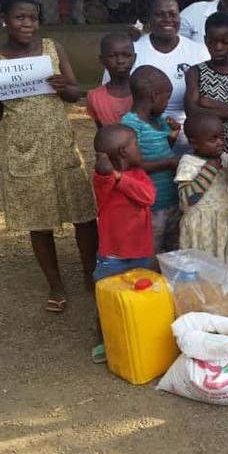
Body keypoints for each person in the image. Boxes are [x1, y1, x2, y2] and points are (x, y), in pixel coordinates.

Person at [0, 0, 97, 314]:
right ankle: (55, 284)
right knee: (39, 222)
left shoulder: (53, 49)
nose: (27, 24)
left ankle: (89, 274)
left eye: (33, 18)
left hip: (61, 146)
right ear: (4, 20)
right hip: (24, 151)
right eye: (20, 17)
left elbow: (74, 93)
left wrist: (64, 87)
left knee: (84, 214)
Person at [105, 0, 209, 153]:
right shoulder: (133, 51)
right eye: (159, 15)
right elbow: (111, 93)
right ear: (149, 19)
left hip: (193, 141)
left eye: (173, 14)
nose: (167, 19)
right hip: (144, 142)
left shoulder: (199, 52)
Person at [91, 124, 156, 363]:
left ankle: (139, 334)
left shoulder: (139, 175)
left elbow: (148, 197)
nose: (140, 149)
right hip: (113, 256)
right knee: (106, 300)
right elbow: (102, 178)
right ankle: (104, 339)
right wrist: (110, 173)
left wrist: (120, 177)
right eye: (136, 144)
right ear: (123, 152)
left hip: (141, 253)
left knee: (142, 296)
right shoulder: (103, 180)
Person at [120, 65, 182, 252]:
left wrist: (173, 135)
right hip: (150, 206)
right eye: (167, 98)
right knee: (151, 250)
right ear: (154, 96)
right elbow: (131, 166)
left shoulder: (160, 121)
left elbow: (161, 149)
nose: (167, 104)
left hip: (171, 199)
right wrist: (170, 163)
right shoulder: (130, 124)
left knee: (173, 249)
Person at [185, 12, 228, 148]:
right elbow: (191, 111)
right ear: (205, 40)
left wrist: (209, 103)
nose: (218, 47)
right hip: (205, 150)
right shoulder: (195, 72)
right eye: (212, 41)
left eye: (225, 42)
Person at [176, 112, 228, 262]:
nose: (220, 142)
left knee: (222, 263)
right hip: (202, 226)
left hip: (222, 222)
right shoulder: (188, 163)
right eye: (213, 139)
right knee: (202, 264)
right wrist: (209, 170)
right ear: (194, 143)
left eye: (222, 136)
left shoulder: (225, 158)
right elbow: (188, 199)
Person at [87, 33, 136, 127]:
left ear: (135, 58)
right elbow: (101, 131)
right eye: (112, 56)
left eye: (126, 55)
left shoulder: (144, 92)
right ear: (102, 59)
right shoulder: (94, 97)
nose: (120, 61)